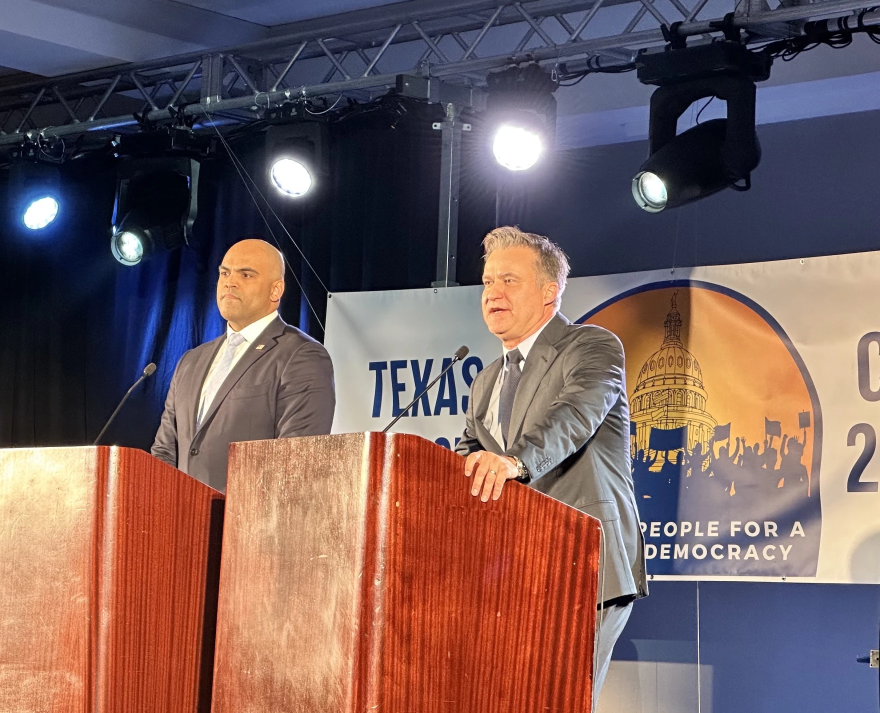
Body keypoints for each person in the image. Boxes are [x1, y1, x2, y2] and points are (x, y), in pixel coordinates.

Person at [455, 226, 647, 709]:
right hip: (513, 568)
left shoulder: (591, 346)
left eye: (509, 281)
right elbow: (466, 453)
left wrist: (515, 462)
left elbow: (575, 416)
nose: (493, 293)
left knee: (557, 700)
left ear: (549, 292)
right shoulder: (484, 381)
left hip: (584, 560)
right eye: (487, 282)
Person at [152, 239, 335, 491]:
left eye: (246, 274)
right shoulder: (191, 361)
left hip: (250, 524)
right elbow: (164, 451)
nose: (230, 281)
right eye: (224, 273)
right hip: (183, 522)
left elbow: (296, 461)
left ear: (276, 290)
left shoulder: (301, 355)